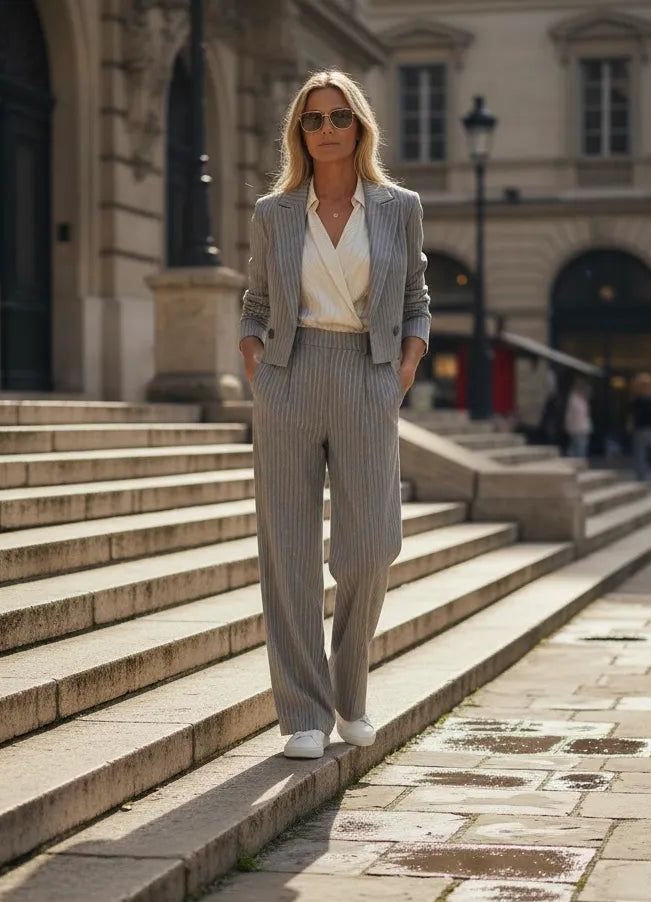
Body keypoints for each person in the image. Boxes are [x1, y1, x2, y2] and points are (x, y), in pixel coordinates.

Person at [237, 69, 430, 760]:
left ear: (359, 127)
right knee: (287, 548)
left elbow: (416, 296)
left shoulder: (398, 205)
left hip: (368, 374)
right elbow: (256, 302)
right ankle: (303, 713)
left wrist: (403, 370)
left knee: (372, 545)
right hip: (290, 375)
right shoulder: (275, 212)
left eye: (338, 116)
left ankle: (350, 690)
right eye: (313, 119)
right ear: (300, 132)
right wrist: (257, 367)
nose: (325, 129)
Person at [627, 373, 651, 484]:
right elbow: (632, 415)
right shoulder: (636, 400)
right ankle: (641, 478)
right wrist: (630, 425)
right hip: (641, 430)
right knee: (640, 455)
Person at [564, 378, 592, 459]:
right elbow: (569, 415)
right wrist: (569, 427)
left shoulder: (582, 399)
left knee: (580, 449)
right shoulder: (574, 400)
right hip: (577, 429)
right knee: (578, 450)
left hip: (582, 428)